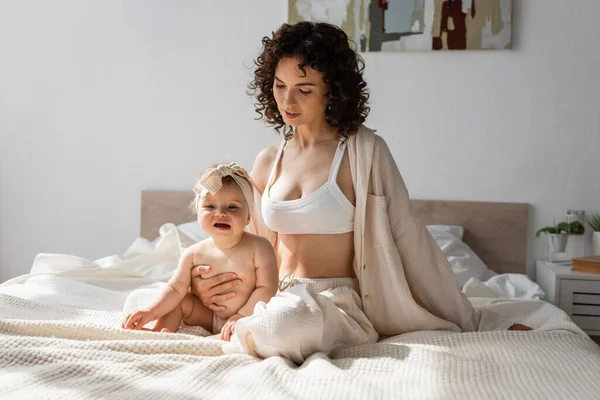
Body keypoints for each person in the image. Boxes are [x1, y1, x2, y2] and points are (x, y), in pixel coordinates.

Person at [190, 22, 530, 363]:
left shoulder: (364, 153)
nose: (287, 100)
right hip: (274, 293)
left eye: (304, 89)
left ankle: (253, 331)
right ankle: (246, 325)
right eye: (280, 86)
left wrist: (471, 319)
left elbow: (407, 235)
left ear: (332, 92)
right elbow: (244, 242)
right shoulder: (268, 160)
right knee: (156, 302)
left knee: (284, 325)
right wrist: (208, 288)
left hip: (336, 302)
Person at [122, 163, 279, 340]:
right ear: (197, 212)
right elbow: (175, 288)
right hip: (208, 316)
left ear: (249, 216)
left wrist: (241, 316)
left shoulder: (259, 248)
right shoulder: (193, 254)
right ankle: (160, 333)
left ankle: (236, 332)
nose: (220, 213)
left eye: (232, 207)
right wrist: (151, 311)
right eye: (210, 207)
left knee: (273, 318)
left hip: (247, 316)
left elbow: (267, 288)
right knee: (180, 300)